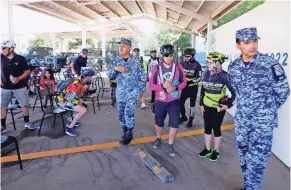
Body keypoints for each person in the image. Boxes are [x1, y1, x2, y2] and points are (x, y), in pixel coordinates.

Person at [227, 27, 290, 190]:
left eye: (255, 41)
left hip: (262, 124)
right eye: (247, 42)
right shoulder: (233, 67)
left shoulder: (270, 64)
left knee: (257, 161)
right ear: (238, 45)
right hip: (242, 121)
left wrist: (266, 109)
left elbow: (283, 91)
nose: (252, 45)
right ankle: (249, 185)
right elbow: (235, 89)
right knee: (243, 157)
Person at [107, 38, 147, 145]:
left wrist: (142, 89)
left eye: (123, 46)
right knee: (120, 114)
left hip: (133, 91)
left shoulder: (136, 61)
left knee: (128, 112)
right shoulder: (116, 61)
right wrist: (116, 68)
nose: (120, 48)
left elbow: (142, 75)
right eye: (119, 46)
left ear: (129, 48)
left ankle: (129, 132)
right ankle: (125, 130)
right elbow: (110, 76)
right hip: (120, 92)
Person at [149, 44, 187, 157]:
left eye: (171, 55)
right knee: (158, 122)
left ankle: (170, 145)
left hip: (174, 100)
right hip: (160, 100)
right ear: (162, 55)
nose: (169, 57)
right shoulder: (156, 68)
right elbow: (151, 85)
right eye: (166, 55)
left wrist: (174, 88)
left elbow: (184, 82)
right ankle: (158, 138)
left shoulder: (178, 66)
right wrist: (163, 86)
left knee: (174, 123)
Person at [198, 52, 236, 162]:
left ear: (218, 63)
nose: (208, 64)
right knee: (207, 128)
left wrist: (227, 105)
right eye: (208, 62)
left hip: (218, 108)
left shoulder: (225, 75)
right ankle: (207, 149)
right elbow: (203, 90)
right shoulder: (207, 73)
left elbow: (234, 92)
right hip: (206, 106)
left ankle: (216, 151)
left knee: (216, 128)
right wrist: (201, 104)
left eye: (210, 62)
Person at [1, 40, 35, 134]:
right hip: (5, 87)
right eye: (1, 48)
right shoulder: (1, 57)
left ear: (11, 49)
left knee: (24, 105)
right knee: (3, 107)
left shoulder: (20, 58)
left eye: (4, 48)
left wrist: (19, 78)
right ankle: (2, 126)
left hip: (20, 87)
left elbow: (27, 71)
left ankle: (27, 122)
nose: (2, 50)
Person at [56, 67, 94, 137]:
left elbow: (77, 94)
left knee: (80, 105)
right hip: (62, 102)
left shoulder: (81, 81)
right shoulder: (77, 84)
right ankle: (69, 129)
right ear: (86, 76)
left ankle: (71, 121)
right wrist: (78, 102)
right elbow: (70, 98)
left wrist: (80, 100)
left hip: (64, 99)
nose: (92, 78)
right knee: (83, 110)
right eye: (91, 76)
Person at [179, 48, 202, 128]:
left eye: (188, 56)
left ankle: (190, 121)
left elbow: (200, 77)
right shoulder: (182, 64)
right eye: (185, 56)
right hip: (185, 88)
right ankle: (184, 117)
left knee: (192, 105)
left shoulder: (197, 65)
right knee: (180, 103)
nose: (186, 58)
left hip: (193, 88)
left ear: (192, 56)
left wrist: (192, 82)